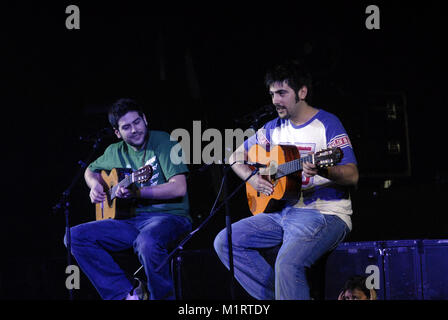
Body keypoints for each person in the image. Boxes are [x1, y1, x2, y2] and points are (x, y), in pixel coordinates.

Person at [214, 60, 359, 300]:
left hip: (325, 213)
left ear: (302, 92)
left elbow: (352, 175)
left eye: (282, 93)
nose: (275, 100)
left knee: (287, 265)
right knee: (225, 242)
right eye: (272, 94)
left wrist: (325, 171)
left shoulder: (328, 123)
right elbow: (234, 156)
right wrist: (251, 178)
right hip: (285, 213)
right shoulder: (272, 128)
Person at [65, 98, 192, 300]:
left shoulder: (164, 142)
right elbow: (90, 170)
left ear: (145, 119)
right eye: (126, 127)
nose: (134, 130)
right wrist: (95, 185)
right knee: (74, 236)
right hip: (130, 222)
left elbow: (179, 188)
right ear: (118, 133)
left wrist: (138, 193)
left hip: (169, 217)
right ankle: (128, 293)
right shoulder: (114, 151)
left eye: (137, 122)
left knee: (146, 242)